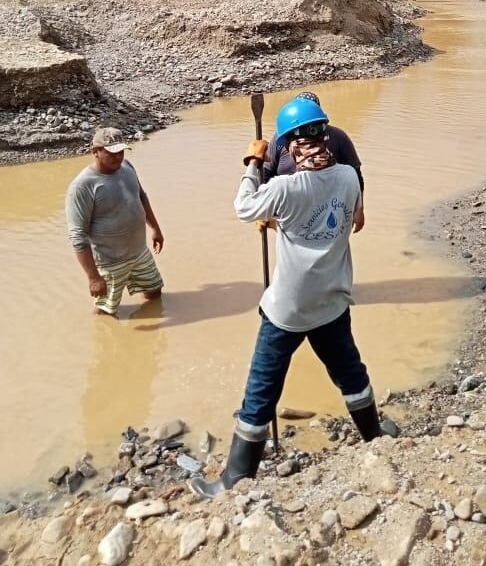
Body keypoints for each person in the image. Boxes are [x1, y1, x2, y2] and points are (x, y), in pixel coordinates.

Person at [191, 97, 386, 499]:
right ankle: (375, 435)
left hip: (288, 310)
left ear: (292, 144)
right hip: (332, 301)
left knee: (261, 388)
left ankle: (235, 479)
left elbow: (244, 207)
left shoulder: (284, 188)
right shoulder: (348, 177)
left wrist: (251, 164)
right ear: (323, 134)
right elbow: (344, 217)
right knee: (350, 372)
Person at [65, 128, 164, 316]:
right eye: (111, 153)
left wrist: (156, 229)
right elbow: (78, 236)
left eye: (121, 151)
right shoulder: (82, 186)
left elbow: (141, 197)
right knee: (105, 311)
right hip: (109, 261)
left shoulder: (127, 167)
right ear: (95, 152)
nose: (118, 157)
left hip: (139, 252)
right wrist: (93, 278)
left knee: (154, 292)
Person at [261, 91, 364, 191]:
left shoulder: (339, 137)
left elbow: (357, 178)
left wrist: (252, 163)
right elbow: (266, 172)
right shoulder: (283, 137)